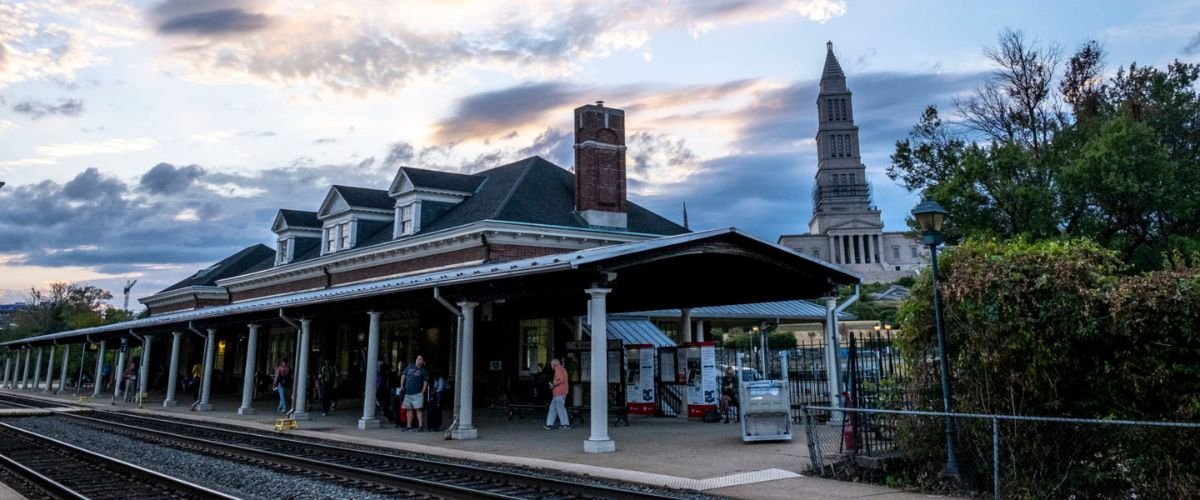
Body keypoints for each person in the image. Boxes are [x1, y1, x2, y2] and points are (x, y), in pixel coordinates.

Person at [398, 355, 429, 432]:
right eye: (417, 358)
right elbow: (403, 376)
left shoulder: (424, 371)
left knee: (418, 409)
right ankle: (409, 426)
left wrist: (422, 392)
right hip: (408, 392)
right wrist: (401, 386)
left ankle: (421, 426)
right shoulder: (410, 366)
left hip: (418, 393)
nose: (418, 360)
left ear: (423, 362)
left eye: (420, 359)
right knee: (409, 410)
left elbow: (425, 383)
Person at [544, 358, 570, 430]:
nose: (551, 366)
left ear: (554, 364)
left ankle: (565, 424)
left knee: (559, 408)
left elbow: (560, 379)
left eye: (551, 364)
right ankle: (549, 424)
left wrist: (553, 384)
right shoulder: (562, 369)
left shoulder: (558, 368)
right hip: (559, 392)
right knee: (553, 408)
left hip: (559, 392)